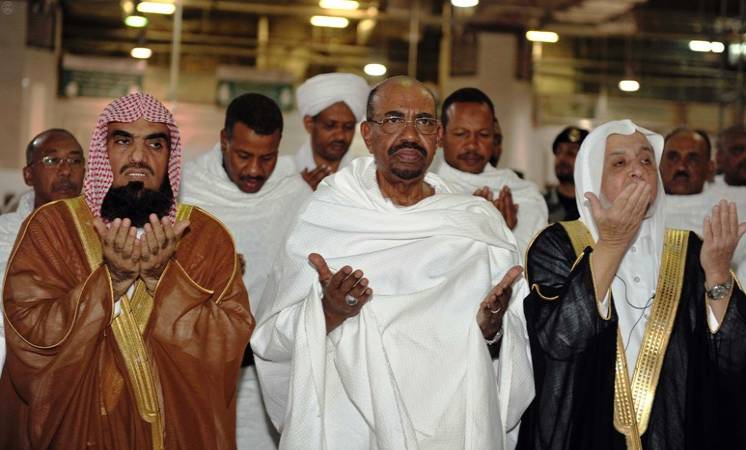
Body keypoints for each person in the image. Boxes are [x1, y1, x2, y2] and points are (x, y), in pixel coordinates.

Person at [252, 76, 533, 450]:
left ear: (437, 137)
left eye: (424, 122)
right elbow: (271, 338)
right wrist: (328, 311)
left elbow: (514, 344)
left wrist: (492, 328)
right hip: (351, 427)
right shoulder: (330, 211)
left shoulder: (476, 223)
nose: (410, 134)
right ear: (368, 135)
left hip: (452, 428)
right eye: (394, 120)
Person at [0, 93, 253, 450]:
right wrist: (110, 282)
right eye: (122, 141)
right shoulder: (51, 228)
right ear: (102, 152)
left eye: (155, 143)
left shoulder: (206, 237)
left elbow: (229, 340)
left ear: (170, 155)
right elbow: (28, 333)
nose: (138, 157)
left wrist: (162, 282)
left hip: (173, 431)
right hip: (79, 430)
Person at [517, 120, 746, 450]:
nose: (638, 172)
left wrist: (718, 275)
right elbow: (560, 339)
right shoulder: (559, 244)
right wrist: (611, 244)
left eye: (646, 161)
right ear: (593, 176)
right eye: (620, 163)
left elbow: (734, 359)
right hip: (581, 434)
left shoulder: (692, 250)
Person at [180, 93, 311, 450]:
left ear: (280, 147)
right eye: (243, 155)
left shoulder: (295, 194)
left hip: (266, 369)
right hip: (198, 367)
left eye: (267, 158)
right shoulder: (187, 191)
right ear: (223, 141)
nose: (254, 170)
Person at [0, 128, 85, 371]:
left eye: (75, 160)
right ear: (28, 174)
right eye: (52, 160)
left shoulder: (101, 233)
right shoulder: (4, 234)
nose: (66, 170)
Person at [434, 87, 548, 252]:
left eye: (484, 135)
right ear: (440, 136)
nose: (472, 145)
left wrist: (503, 234)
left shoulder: (524, 194)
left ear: (494, 138)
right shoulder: (426, 192)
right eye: (461, 134)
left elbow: (535, 265)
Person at [293, 72, 370, 190]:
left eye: (348, 127)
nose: (340, 136)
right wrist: (296, 195)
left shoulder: (365, 180)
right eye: (330, 125)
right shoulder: (280, 174)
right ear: (309, 124)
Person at [544, 126, 588, 222]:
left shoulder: (598, 206)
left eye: (571, 153)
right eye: (558, 152)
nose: (562, 158)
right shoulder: (540, 204)